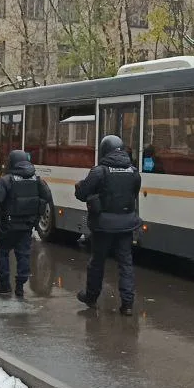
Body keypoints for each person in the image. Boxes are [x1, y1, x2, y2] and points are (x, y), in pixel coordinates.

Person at [75, 135, 141, 316]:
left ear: (104, 150)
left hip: (103, 226)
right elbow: (134, 194)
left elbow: (82, 193)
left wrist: (79, 187)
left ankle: (91, 296)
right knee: (125, 264)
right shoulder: (133, 171)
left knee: (97, 262)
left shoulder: (99, 171)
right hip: (126, 224)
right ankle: (127, 304)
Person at [0, 149, 52, 297]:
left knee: (2, 253)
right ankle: (20, 287)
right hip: (27, 225)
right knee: (23, 255)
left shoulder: (7, 180)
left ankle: (4, 285)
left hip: (8, 226)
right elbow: (47, 196)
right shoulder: (37, 179)